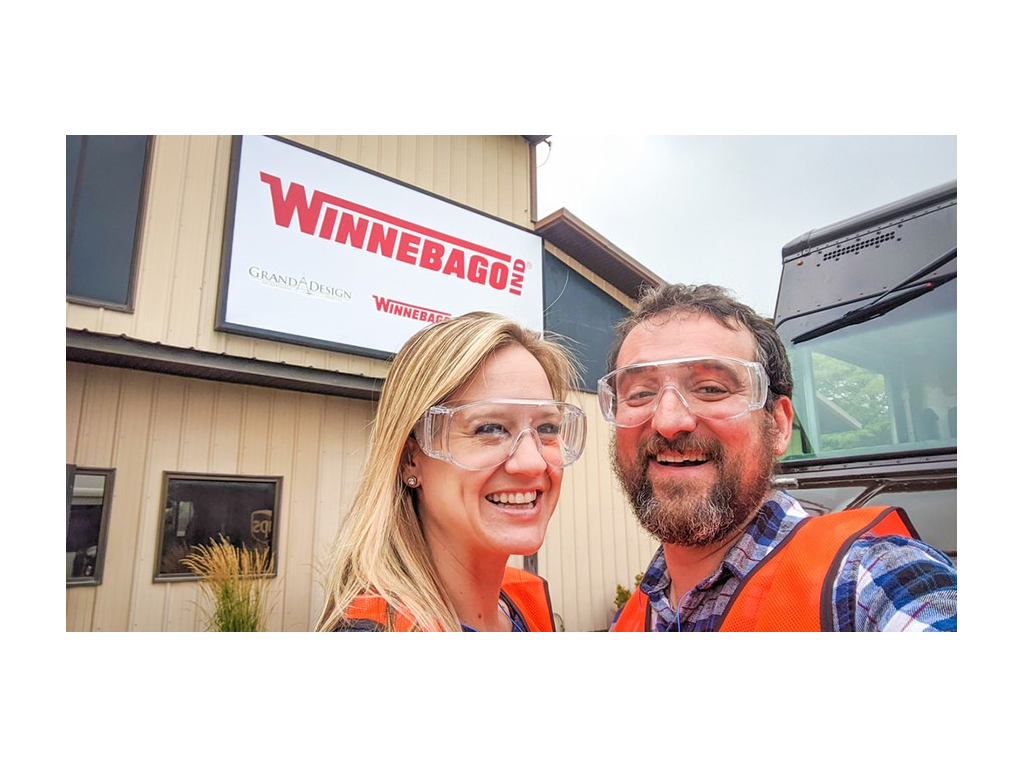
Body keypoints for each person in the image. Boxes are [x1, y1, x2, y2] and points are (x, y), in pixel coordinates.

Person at [604, 284, 957, 632]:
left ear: (778, 425)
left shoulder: (867, 583)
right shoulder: (632, 620)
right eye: (640, 393)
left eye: (712, 389)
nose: (668, 421)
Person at [316, 311, 585, 632]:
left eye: (547, 427)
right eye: (490, 427)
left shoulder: (524, 606)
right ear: (409, 459)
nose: (533, 462)